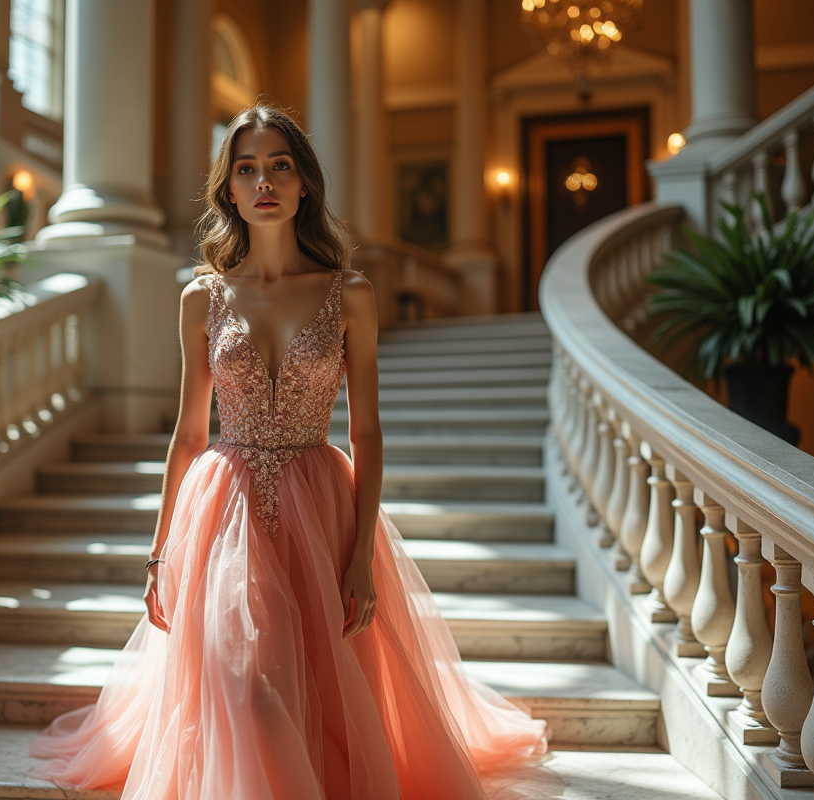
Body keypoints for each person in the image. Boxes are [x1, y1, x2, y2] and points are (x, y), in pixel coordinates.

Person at [28, 103, 548, 799]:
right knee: (248, 686)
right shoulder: (200, 299)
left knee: (319, 684)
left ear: (304, 183)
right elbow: (187, 435)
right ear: (229, 190)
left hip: (322, 505)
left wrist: (361, 554)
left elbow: (367, 433)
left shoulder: (350, 296)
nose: (263, 181)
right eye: (246, 169)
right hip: (226, 509)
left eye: (280, 166)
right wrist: (160, 554)